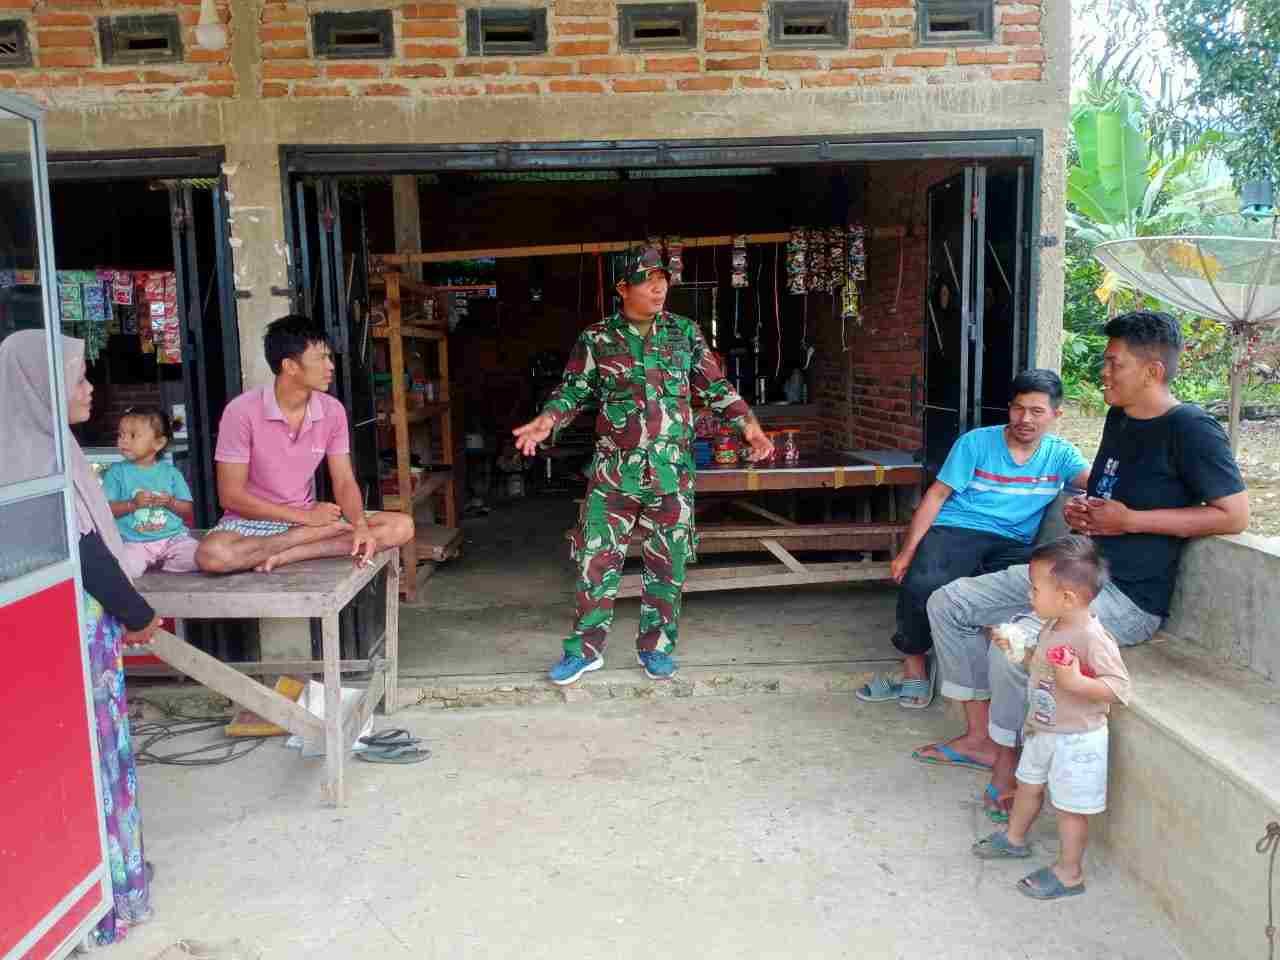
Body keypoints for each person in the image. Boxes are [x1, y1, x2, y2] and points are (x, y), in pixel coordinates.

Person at [918, 311, 1248, 820]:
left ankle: (1008, 762)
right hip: (1076, 570)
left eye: (1114, 364)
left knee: (1011, 647)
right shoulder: (1120, 418)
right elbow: (1106, 491)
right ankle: (980, 738)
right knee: (949, 602)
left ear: (1153, 371)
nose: (1103, 373)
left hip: (1126, 597)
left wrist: (1130, 521)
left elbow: (1234, 515)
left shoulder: (1191, 428)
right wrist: (1084, 509)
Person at [513, 246, 772, 685]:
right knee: (595, 562)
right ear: (623, 287)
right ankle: (585, 651)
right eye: (648, 279)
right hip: (614, 475)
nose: (658, 287)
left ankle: (656, 648)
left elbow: (716, 388)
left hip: (671, 474)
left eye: (663, 279)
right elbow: (572, 391)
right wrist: (547, 420)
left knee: (668, 565)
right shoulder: (597, 338)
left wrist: (752, 428)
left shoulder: (684, 333)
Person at [0, 330, 157, 945]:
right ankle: (111, 892)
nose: (90, 388)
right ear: (42, 385)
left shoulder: (33, 446)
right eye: (78, 377)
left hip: (46, 632)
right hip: (73, 631)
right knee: (95, 753)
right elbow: (87, 551)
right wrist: (137, 614)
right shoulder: (43, 459)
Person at [856, 370, 1089, 709]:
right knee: (922, 583)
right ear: (1009, 408)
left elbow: (1099, 483)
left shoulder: (1062, 454)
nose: (1025, 419)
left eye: (1037, 411)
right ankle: (914, 666)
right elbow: (937, 495)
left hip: (1014, 541)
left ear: (1056, 414)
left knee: (1029, 594)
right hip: (959, 528)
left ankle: (995, 673)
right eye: (1018, 408)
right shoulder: (976, 443)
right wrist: (907, 552)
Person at [972, 535, 1130, 901]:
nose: (1029, 594)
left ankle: (1070, 873)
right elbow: (1042, 668)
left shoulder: (1092, 637)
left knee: (1070, 809)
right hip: (1042, 728)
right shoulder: (1052, 626)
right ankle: (1014, 839)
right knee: (1027, 785)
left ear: (1068, 598)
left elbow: (1119, 688)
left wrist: (1076, 682)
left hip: (1076, 738)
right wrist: (1017, 652)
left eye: (1035, 588)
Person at [195, 315, 414, 575]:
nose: (330, 366)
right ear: (290, 366)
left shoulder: (332, 410)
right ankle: (296, 540)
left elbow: (344, 480)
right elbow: (231, 496)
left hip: (311, 520)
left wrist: (359, 525)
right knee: (213, 555)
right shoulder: (241, 411)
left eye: (329, 357)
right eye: (320, 358)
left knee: (401, 526)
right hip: (254, 521)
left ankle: (290, 554)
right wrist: (306, 520)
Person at [103, 408, 200, 578]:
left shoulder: (171, 473)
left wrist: (170, 502)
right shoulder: (116, 473)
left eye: (133, 435)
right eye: (120, 435)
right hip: (133, 541)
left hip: (172, 538)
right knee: (127, 568)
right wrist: (132, 504)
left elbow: (187, 510)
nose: (123, 440)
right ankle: (151, 561)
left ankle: (165, 562)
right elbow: (105, 510)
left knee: (200, 556)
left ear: (158, 443)